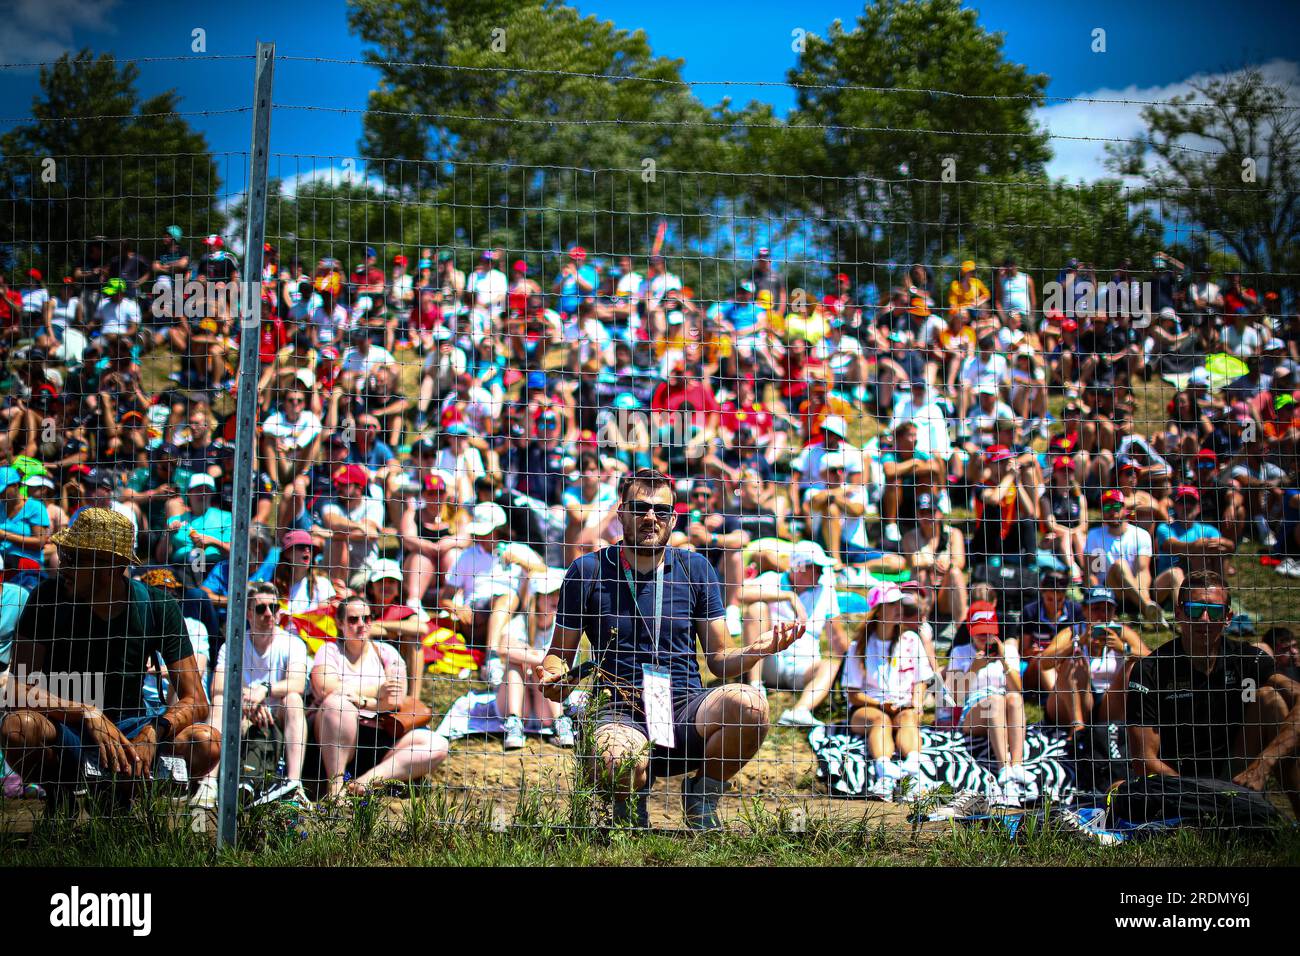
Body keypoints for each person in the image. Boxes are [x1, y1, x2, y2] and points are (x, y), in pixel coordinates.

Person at [534, 468, 804, 830]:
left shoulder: (696, 568)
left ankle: (701, 797)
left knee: (751, 705)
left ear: (673, 518)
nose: (650, 517)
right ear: (621, 513)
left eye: (660, 510)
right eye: (639, 507)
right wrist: (553, 674)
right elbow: (558, 654)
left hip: (682, 707)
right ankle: (630, 804)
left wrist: (758, 649)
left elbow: (721, 663)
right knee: (618, 761)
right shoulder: (588, 570)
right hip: (619, 707)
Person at [0, 508, 219, 807]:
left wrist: (156, 730)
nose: (63, 565)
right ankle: (62, 793)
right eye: (64, 554)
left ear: (111, 566)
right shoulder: (45, 598)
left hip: (133, 727)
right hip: (64, 729)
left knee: (207, 742)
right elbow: (16, 690)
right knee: (18, 727)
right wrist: (85, 712)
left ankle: (123, 797)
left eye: (74, 558)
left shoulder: (157, 606)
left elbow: (196, 700)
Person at [1126, 570, 1300, 816]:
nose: (1205, 619)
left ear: (1228, 617)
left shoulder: (1246, 658)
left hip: (1234, 772)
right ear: (1178, 613)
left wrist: (1263, 765)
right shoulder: (1149, 670)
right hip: (1179, 783)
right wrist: (1203, 798)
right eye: (1195, 609)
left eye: (1215, 611)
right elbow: (1144, 762)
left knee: (1270, 700)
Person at [310, 596, 449, 798]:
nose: (361, 624)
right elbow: (326, 688)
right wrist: (377, 692)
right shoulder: (329, 651)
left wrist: (360, 700)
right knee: (338, 705)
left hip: (382, 734)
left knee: (437, 745)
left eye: (366, 618)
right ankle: (335, 788)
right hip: (338, 738)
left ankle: (365, 782)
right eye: (353, 619)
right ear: (339, 623)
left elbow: (395, 698)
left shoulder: (386, 652)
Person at [197, 582, 309, 808]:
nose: (269, 613)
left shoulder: (293, 643)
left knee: (294, 700)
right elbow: (218, 686)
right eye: (261, 608)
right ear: (248, 613)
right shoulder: (233, 645)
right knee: (219, 702)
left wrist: (265, 690)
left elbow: (297, 683)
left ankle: (294, 784)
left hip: (276, 712)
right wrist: (248, 701)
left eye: (274, 608)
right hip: (240, 712)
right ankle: (208, 783)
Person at [737, 540, 847, 728]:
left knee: (830, 663)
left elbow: (837, 638)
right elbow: (740, 594)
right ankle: (755, 686)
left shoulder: (826, 591)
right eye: (816, 567)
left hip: (804, 666)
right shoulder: (772, 579)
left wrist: (857, 659)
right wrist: (788, 596)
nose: (821, 572)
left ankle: (799, 712)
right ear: (799, 567)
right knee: (756, 609)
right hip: (769, 660)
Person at [843, 584, 935, 799]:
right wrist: (880, 705)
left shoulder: (911, 640)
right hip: (867, 708)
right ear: (879, 609)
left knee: (908, 717)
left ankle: (913, 773)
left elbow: (921, 681)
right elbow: (853, 695)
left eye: (899, 603)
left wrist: (917, 703)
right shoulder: (859, 646)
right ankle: (884, 775)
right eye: (892, 604)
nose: (898, 608)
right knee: (881, 720)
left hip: (902, 705)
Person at [943, 599, 1030, 807]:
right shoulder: (959, 652)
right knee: (995, 700)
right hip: (973, 711)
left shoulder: (1007, 651)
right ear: (971, 631)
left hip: (1003, 707)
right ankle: (1005, 770)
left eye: (989, 632)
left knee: (1014, 698)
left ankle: (1016, 765)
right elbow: (954, 697)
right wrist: (974, 668)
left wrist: (1003, 661)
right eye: (981, 633)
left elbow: (1018, 690)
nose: (986, 638)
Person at [1033, 586, 1148, 734]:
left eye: (1108, 609)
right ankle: (1077, 729)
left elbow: (1152, 658)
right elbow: (1044, 662)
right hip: (1071, 703)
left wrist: (1123, 648)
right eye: (1096, 608)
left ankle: (1118, 731)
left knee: (1132, 666)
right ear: (1085, 609)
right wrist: (1078, 643)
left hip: (1108, 702)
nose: (1102, 614)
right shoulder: (1073, 632)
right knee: (1074, 659)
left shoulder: (1121, 632)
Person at [498, 567, 576, 749]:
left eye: (559, 593)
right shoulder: (520, 622)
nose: (556, 599)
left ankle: (560, 723)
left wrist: (531, 656)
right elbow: (502, 648)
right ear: (537, 597)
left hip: (545, 707)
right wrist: (540, 658)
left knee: (538, 668)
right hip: (518, 701)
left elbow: (565, 664)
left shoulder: (563, 627)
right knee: (514, 665)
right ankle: (514, 723)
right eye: (550, 594)